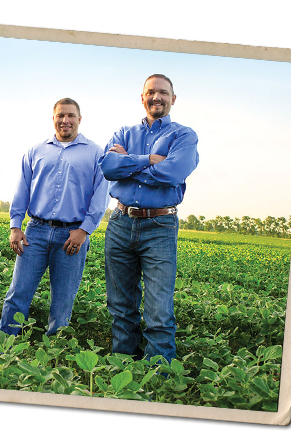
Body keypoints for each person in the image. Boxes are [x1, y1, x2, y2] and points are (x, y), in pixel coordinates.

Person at [99, 74, 199, 364]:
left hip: (160, 226)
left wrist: (127, 161)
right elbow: (108, 167)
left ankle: (160, 375)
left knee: (158, 309)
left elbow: (172, 173)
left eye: (163, 93)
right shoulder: (123, 132)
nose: (157, 97)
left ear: (173, 98)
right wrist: (147, 160)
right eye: (151, 92)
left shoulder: (184, 135)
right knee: (120, 304)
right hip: (120, 222)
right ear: (142, 98)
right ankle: (123, 367)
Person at [0, 98, 109, 336]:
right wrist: (15, 225)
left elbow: (101, 196)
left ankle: (53, 353)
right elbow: (22, 189)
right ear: (53, 118)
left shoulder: (95, 153)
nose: (65, 121)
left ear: (79, 119)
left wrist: (85, 230)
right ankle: (5, 346)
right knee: (17, 293)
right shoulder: (36, 151)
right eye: (60, 116)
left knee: (62, 301)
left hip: (72, 235)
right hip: (35, 232)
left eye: (70, 116)